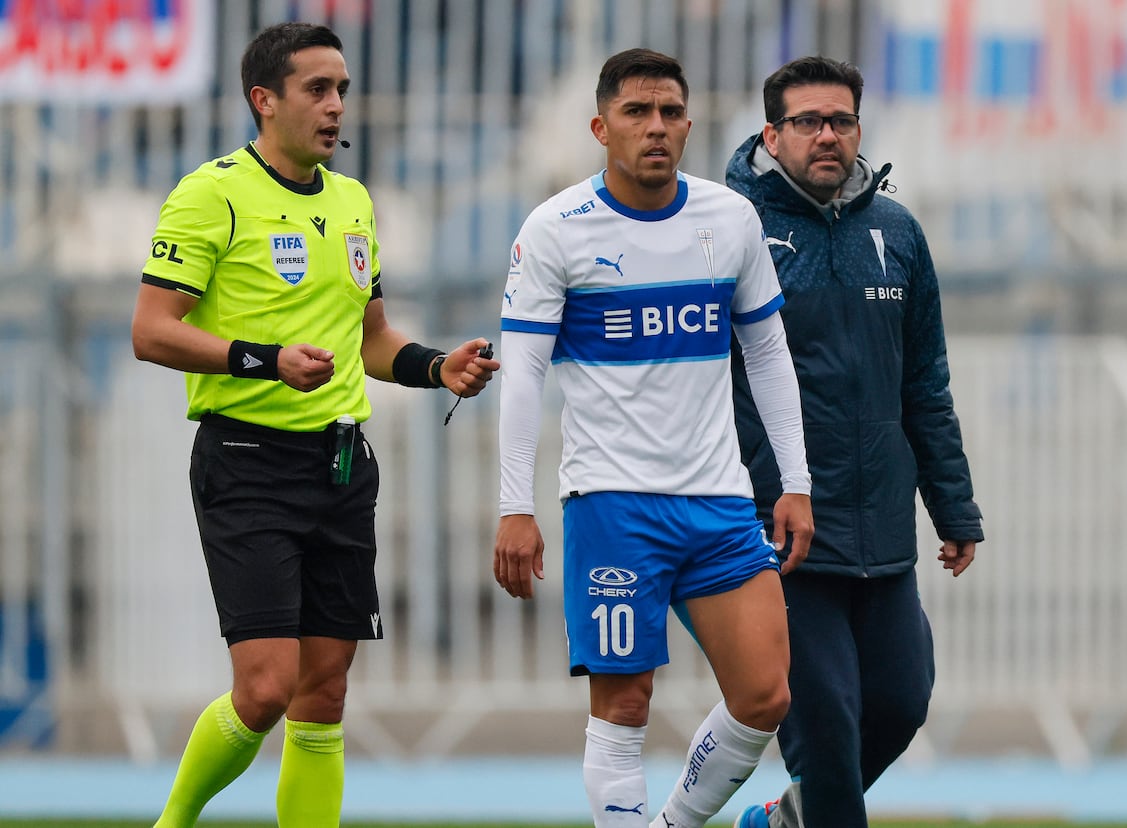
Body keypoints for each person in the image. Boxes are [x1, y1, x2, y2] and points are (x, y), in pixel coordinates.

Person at [132, 22, 497, 828]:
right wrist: (263, 359)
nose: (336, 107)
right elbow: (151, 329)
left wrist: (439, 366)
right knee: (264, 688)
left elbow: (370, 340)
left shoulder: (353, 200)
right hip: (246, 462)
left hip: (339, 467)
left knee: (323, 694)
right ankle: (172, 822)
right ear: (264, 100)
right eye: (317, 90)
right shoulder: (211, 193)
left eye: (343, 91)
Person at [492, 48, 813, 828]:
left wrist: (795, 482)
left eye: (670, 111)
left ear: (689, 123)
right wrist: (514, 504)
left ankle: (672, 824)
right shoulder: (556, 230)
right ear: (602, 127)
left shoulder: (730, 219)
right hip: (613, 505)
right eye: (637, 112)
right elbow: (524, 373)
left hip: (720, 501)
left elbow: (767, 353)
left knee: (766, 694)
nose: (656, 127)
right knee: (625, 704)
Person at [725, 56, 985, 828]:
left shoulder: (897, 233)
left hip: (882, 530)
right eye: (807, 121)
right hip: (783, 532)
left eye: (841, 120)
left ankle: (786, 819)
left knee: (902, 703)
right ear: (772, 135)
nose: (827, 135)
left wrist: (955, 507)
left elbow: (925, 383)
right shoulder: (731, 227)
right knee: (828, 728)